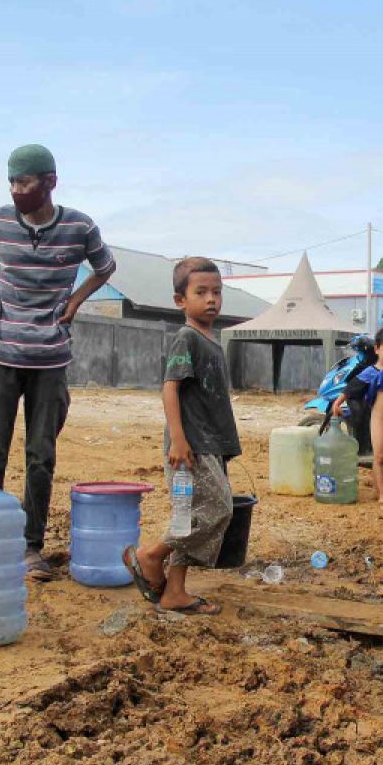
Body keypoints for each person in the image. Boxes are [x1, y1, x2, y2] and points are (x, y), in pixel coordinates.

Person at [0, 144, 117, 580]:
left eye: (26, 183)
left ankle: (30, 545)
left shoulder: (79, 226)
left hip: (50, 358)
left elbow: (106, 267)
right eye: (12, 183)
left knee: (40, 456)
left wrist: (74, 301)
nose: (17, 190)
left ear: (50, 182)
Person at [121, 258, 240, 616]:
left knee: (188, 517)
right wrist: (178, 440)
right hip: (190, 448)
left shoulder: (212, 343)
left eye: (216, 292)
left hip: (209, 447)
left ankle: (175, 592)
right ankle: (150, 555)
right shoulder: (186, 338)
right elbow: (169, 389)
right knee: (217, 510)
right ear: (180, 301)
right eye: (201, 292)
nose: (211, 299)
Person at [330, 327, 383, 505]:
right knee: (378, 456)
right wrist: (338, 402)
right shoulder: (372, 372)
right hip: (379, 419)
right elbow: (352, 387)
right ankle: (382, 494)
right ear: (377, 349)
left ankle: (377, 487)